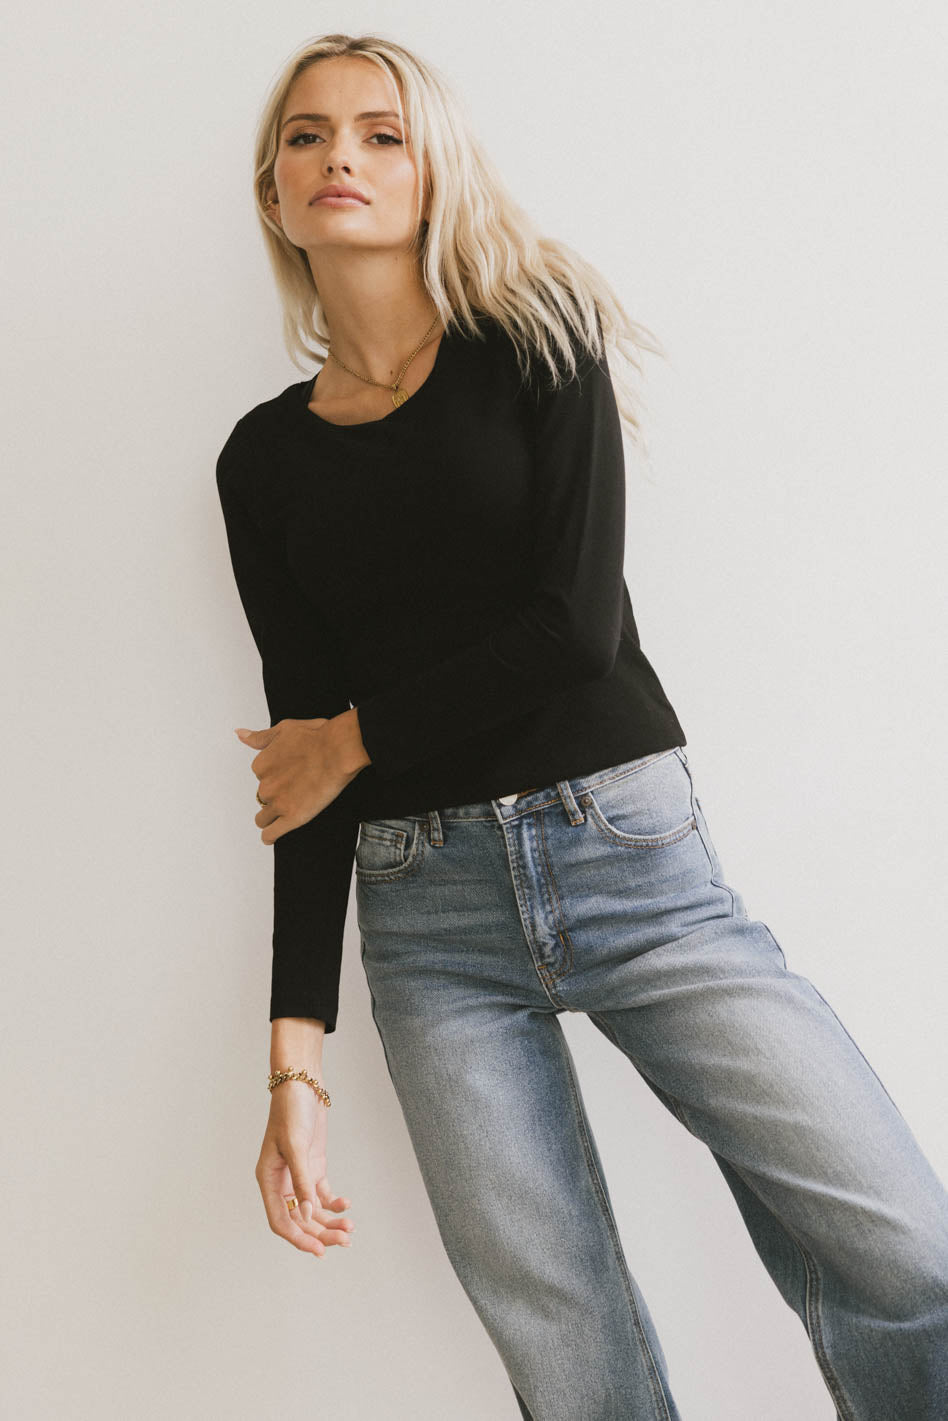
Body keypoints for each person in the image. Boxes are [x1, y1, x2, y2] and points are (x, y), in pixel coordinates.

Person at [214, 32, 948, 1421]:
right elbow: (301, 763)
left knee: (910, 1251)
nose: (340, 158)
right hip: (431, 924)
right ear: (273, 193)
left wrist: (359, 736)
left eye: (380, 132)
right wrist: (292, 1066)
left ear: (434, 170)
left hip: (630, 863)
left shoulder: (537, 336)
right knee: (568, 1352)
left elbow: (574, 629)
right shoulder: (263, 457)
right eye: (306, 137)